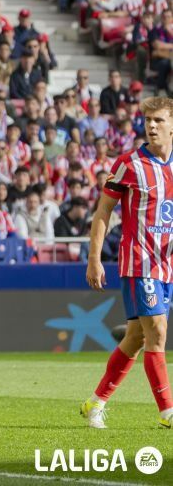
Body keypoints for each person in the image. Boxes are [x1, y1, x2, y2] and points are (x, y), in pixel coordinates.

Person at [82, 96, 173, 429]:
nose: (151, 125)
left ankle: (95, 404)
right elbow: (103, 211)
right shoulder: (129, 164)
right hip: (140, 261)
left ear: (172, 124)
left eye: (159, 120)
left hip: (168, 265)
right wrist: (94, 257)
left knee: (135, 337)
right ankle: (167, 412)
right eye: (148, 120)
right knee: (158, 333)